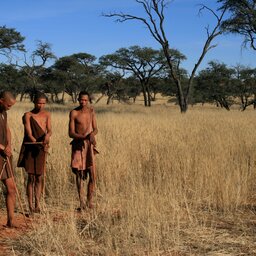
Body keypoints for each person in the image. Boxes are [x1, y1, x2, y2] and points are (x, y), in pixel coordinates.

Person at [17, 92, 52, 214]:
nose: (41, 106)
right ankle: (30, 206)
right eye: (38, 103)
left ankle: (37, 204)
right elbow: (28, 133)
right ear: (34, 102)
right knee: (31, 177)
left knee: (39, 177)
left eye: (43, 103)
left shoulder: (47, 114)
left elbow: (50, 130)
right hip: (31, 147)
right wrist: (36, 142)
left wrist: (47, 137)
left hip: (42, 148)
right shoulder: (27, 115)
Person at [69, 91, 98, 210]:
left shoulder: (91, 111)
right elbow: (70, 133)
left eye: (85, 100)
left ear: (88, 100)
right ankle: (81, 202)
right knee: (79, 174)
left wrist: (92, 134)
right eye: (81, 100)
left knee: (92, 175)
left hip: (89, 146)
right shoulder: (74, 113)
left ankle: (89, 201)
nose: (83, 102)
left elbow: (96, 129)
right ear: (78, 99)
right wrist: (83, 137)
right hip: (78, 145)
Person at [0, 91, 16, 227]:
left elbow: (7, 130)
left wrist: (9, 145)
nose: (9, 107)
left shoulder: (4, 113)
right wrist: (2, 147)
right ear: (1, 101)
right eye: (9, 105)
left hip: (5, 154)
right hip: (1, 152)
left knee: (11, 188)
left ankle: (11, 221)